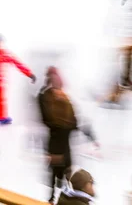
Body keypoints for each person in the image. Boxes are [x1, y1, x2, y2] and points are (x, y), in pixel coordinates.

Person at [38, 68, 98, 203]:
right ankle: (54, 198)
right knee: (55, 176)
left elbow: (74, 122)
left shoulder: (65, 99)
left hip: (64, 146)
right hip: (55, 146)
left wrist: (90, 135)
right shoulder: (45, 98)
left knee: (66, 175)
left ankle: (65, 198)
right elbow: (48, 121)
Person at [0, 36, 36, 125]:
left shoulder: (5, 54)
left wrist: (29, 74)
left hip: (1, 82)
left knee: (1, 98)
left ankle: (2, 117)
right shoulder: (5, 54)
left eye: (1, 43)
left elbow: (18, 64)